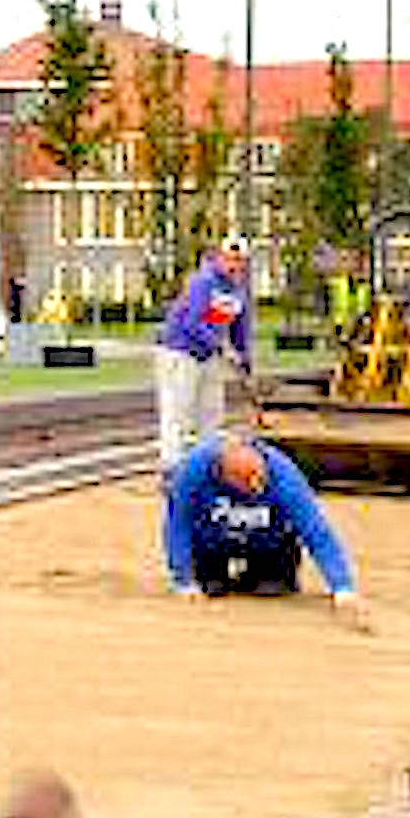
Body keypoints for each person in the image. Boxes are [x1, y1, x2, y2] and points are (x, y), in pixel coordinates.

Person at [164, 429, 366, 620]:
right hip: (210, 542)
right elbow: (178, 524)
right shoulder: (191, 472)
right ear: (225, 475)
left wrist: (342, 587)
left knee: (272, 589)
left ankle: (265, 573)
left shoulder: (285, 477)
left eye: (260, 478)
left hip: (269, 544)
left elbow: (316, 530)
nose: (257, 487)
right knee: (211, 587)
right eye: (247, 481)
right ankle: (216, 572)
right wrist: (183, 580)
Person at [152, 238, 256, 474]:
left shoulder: (239, 292)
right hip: (180, 352)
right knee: (179, 412)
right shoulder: (203, 282)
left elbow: (240, 332)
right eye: (229, 258)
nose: (233, 265)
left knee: (212, 413)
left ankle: (207, 466)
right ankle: (172, 468)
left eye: (239, 260)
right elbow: (192, 324)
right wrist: (222, 347)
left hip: (209, 353)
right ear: (219, 258)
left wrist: (246, 364)